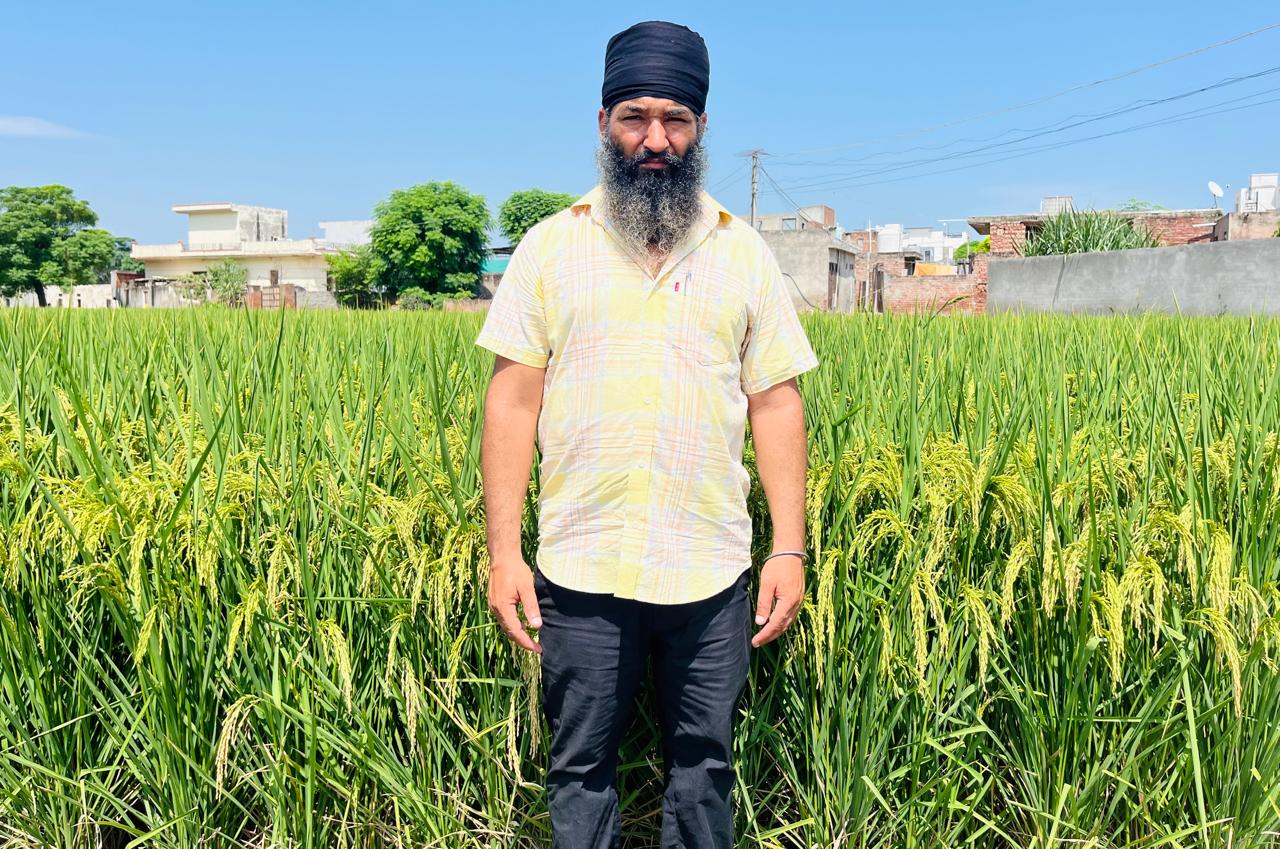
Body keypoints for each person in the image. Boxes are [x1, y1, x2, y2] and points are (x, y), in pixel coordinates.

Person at [474, 19, 820, 849]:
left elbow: (776, 402)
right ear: (602, 124)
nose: (654, 139)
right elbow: (513, 400)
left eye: (675, 119)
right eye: (635, 117)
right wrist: (503, 552)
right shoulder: (551, 247)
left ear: (702, 129)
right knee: (580, 765)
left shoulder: (745, 256)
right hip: (580, 568)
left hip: (710, 574)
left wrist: (789, 548)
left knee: (705, 769)